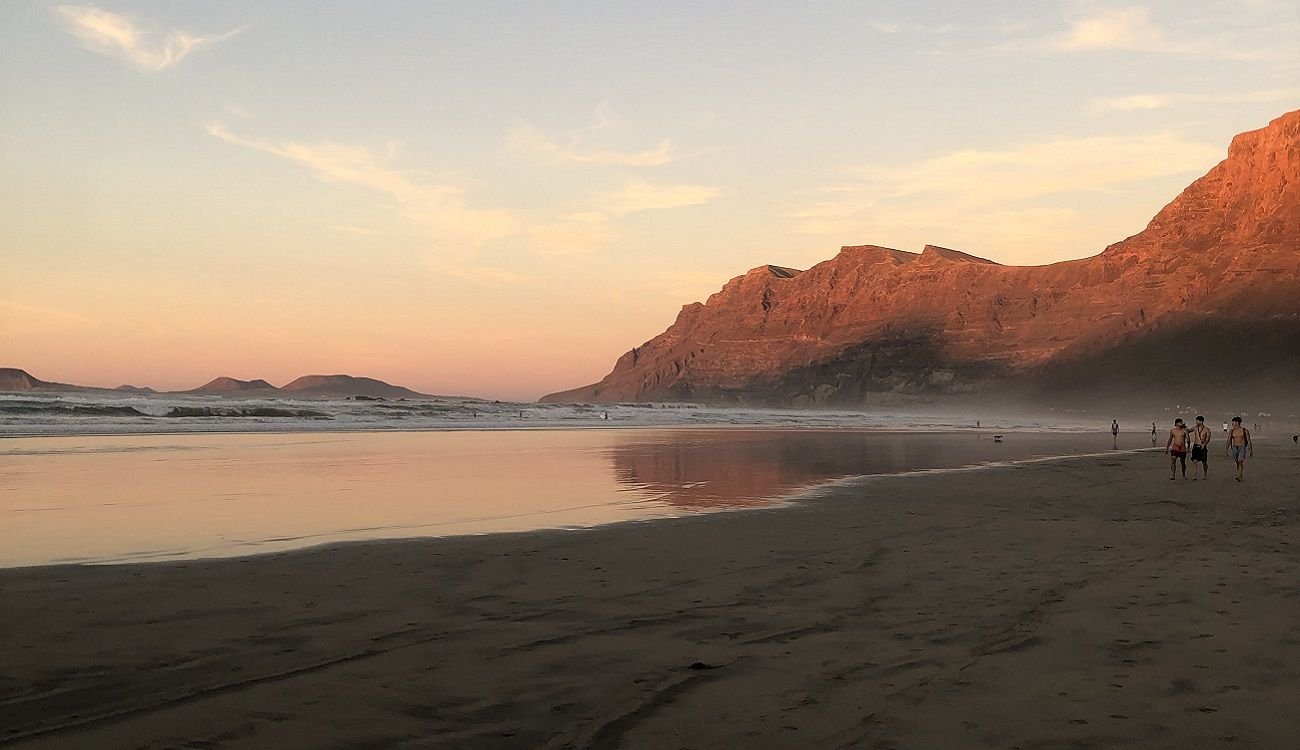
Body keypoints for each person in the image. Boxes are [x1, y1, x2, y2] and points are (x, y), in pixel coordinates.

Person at [1226, 416, 1253, 482]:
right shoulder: (1231, 431)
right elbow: (1229, 440)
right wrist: (1226, 449)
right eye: (1232, 422)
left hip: (1242, 447)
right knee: (1237, 462)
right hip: (1235, 447)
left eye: (1234, 422)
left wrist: (1250, 450)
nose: (1232, 423)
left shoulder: (1244, 430)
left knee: (1240, 461)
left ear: (1238, 422)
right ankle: (1240, 475)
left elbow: (1249, 440)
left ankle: (1239, 476)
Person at [1190, 415, 1212, 480]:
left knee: (1204, 462)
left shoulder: (1206, 429)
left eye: (1197, 421)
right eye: (1196, 421)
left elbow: (1208, 438)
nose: (1196, 422)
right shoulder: (1195, 427)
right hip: (1195, 446)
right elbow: (1188, 430)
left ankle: (1205, 473)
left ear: (1201, 421)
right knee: (1194, 461)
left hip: (1202, 446)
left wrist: (1204, 444)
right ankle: (1195, 475)